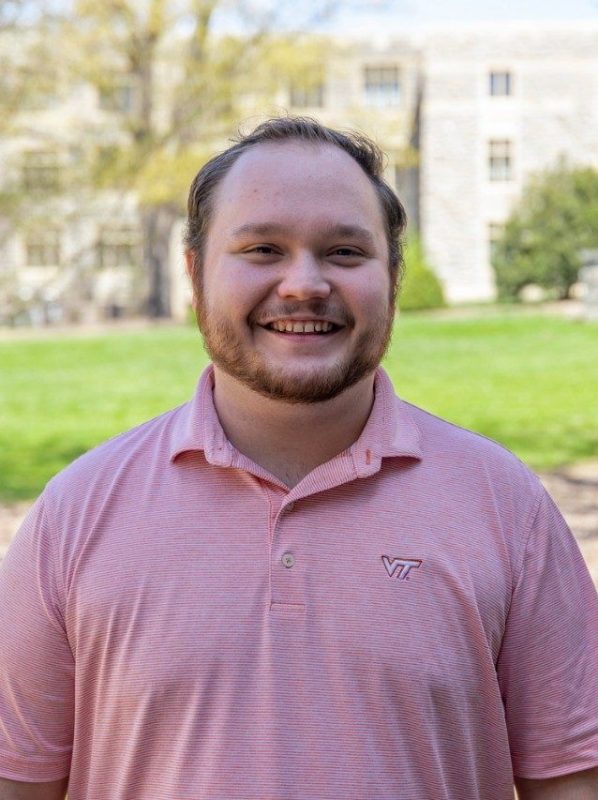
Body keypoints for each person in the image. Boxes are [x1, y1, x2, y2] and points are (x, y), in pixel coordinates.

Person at [0, 117, 597, 800]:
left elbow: (573, 784)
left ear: (393, 278)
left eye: (345, 252)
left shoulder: (504, 505)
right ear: (195, 273)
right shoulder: (75, 515)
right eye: (262, 249)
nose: (304, 284)